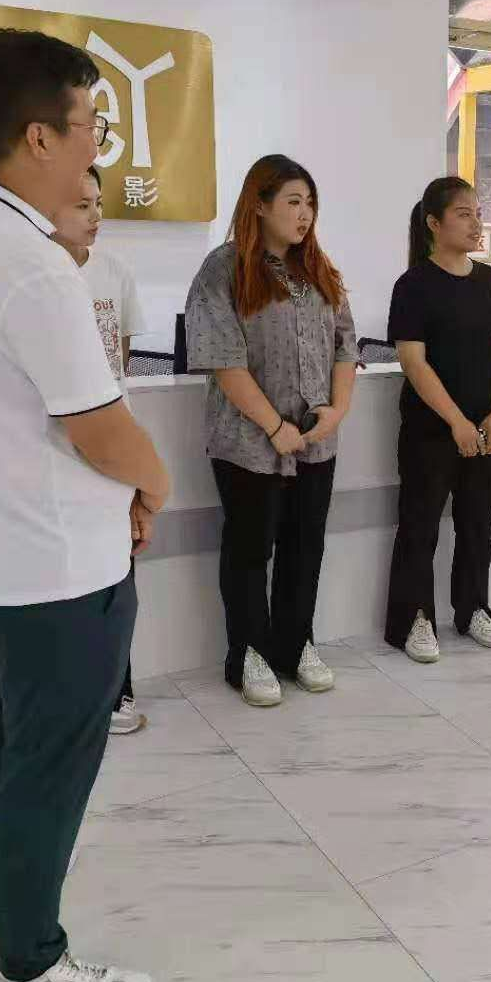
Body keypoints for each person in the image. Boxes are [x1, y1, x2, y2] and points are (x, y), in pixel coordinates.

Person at [0, 29, 167, 982]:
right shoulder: (30, 263)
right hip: (55, 569)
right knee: (47, 767)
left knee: (1, 744)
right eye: (91, 124)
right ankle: (32, 964)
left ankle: (5, 892)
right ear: (41, 137)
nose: (98, 143)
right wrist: (157, 484)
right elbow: (99, 426)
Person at [185, 155, 357, 707]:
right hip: (248, 445)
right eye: (293, 202)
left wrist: (337, 411)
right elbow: (223, 359)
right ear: (259, 205)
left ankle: (296, 643)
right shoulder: (224, 269)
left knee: (305, 549)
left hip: (316, 443)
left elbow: (346, 346)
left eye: (310, 204)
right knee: (249, 550)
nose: (305, 214)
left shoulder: (320, 270)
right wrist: (274, 425)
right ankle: (249, 654)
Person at [384, 176, 491, 663]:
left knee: (478, 524)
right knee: (419, 528)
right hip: (431, 430)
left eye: (478, 213)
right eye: (464, 214)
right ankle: (414, 618)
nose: (476, 222)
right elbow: (413, 362)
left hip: (487, 428)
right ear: (434, 224)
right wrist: (457, 422)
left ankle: (473, 607)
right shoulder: (413, 285)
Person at [52, 165, 151, 735]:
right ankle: (71, 698)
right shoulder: (34, 277)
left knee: (117, 575)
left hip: (113, 449)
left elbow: (121, 366)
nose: (94, 216)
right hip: (55, 454)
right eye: (81, 205)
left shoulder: (115, 273)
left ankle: (118, 692)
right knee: (65, 579)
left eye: (98, 203)